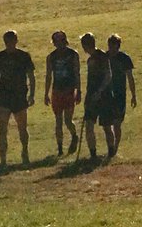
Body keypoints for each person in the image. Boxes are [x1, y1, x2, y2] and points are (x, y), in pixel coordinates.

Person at [0, 30, 35, 173]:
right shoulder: (0, 57)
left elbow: (31, 77)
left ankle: (24, 153)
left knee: (21, 127)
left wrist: (32, 94)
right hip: (6, 97)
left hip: (17, 96)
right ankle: (4, 160)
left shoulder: (23, 56)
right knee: (4, 130)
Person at [43, 30, 81, 156]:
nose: (60, 43)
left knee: (68, 120)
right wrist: (46, 93)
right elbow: (49, 75)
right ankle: (60, 148)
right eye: (57, 41)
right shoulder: (51, 57)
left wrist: (78, 90)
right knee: (58, 120)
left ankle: (74, 135)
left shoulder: (73, 54)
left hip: (69, 90)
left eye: (62, 40)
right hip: (57, 90)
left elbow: (77, 73)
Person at [80, 32, 112, 161]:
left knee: (106, 125)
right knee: (89, 125)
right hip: (91, 96)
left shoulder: (102, 56)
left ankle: (111, 151)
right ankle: (93, 153)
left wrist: (100, 91)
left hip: (103, 96)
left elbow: (108, 75)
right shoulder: (90, 59)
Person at [103, 34, 136, 157]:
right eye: (109, 46)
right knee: (107, 123)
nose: (111, 48)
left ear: (118, 46)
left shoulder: (124, 58)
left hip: (120, 94)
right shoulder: (104, 57)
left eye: (113, 46)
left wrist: (133, 95)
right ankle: (110, 147)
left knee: (117, 123)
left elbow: (130, 78)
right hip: (106, 94)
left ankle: (115, 147)